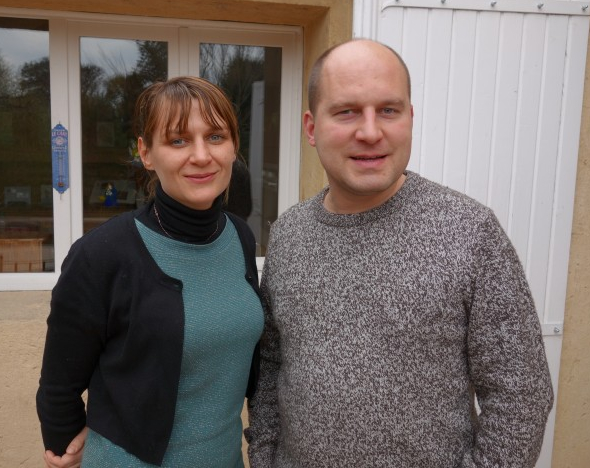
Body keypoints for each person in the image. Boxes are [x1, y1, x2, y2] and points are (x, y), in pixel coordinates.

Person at [245, 39, 554, 467]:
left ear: (410, 118)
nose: (370, 132)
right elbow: (272, 366)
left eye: (388, 110)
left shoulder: (469, 232)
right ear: (312, 127)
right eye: (347, 111)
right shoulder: (289, 235)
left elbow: (521, 395)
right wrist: (264, 457)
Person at [36, 76, 264, 467]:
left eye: (215, 137)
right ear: (146, 152)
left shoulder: (240, 238)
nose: (201, 155)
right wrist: (64, 444)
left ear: (233, 147)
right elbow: (59, 385)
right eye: (178, 140)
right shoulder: (101, 255)